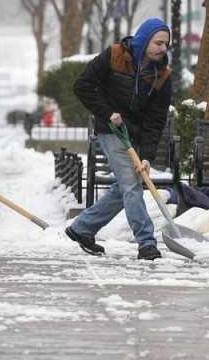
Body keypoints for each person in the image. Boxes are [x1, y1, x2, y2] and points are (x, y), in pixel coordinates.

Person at [65, 18, 172, 260]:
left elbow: (156, 121)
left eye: (166, 44)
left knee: (124, 186)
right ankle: (146, 243)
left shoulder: (162, 76)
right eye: (158, 43)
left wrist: (147, 156)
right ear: (144, 40)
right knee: (132, 186)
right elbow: (82, 85)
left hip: (135, 135)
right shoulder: (114, 55)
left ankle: (82, 228)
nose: (163, 48)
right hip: (111, 130)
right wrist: (107, 112)